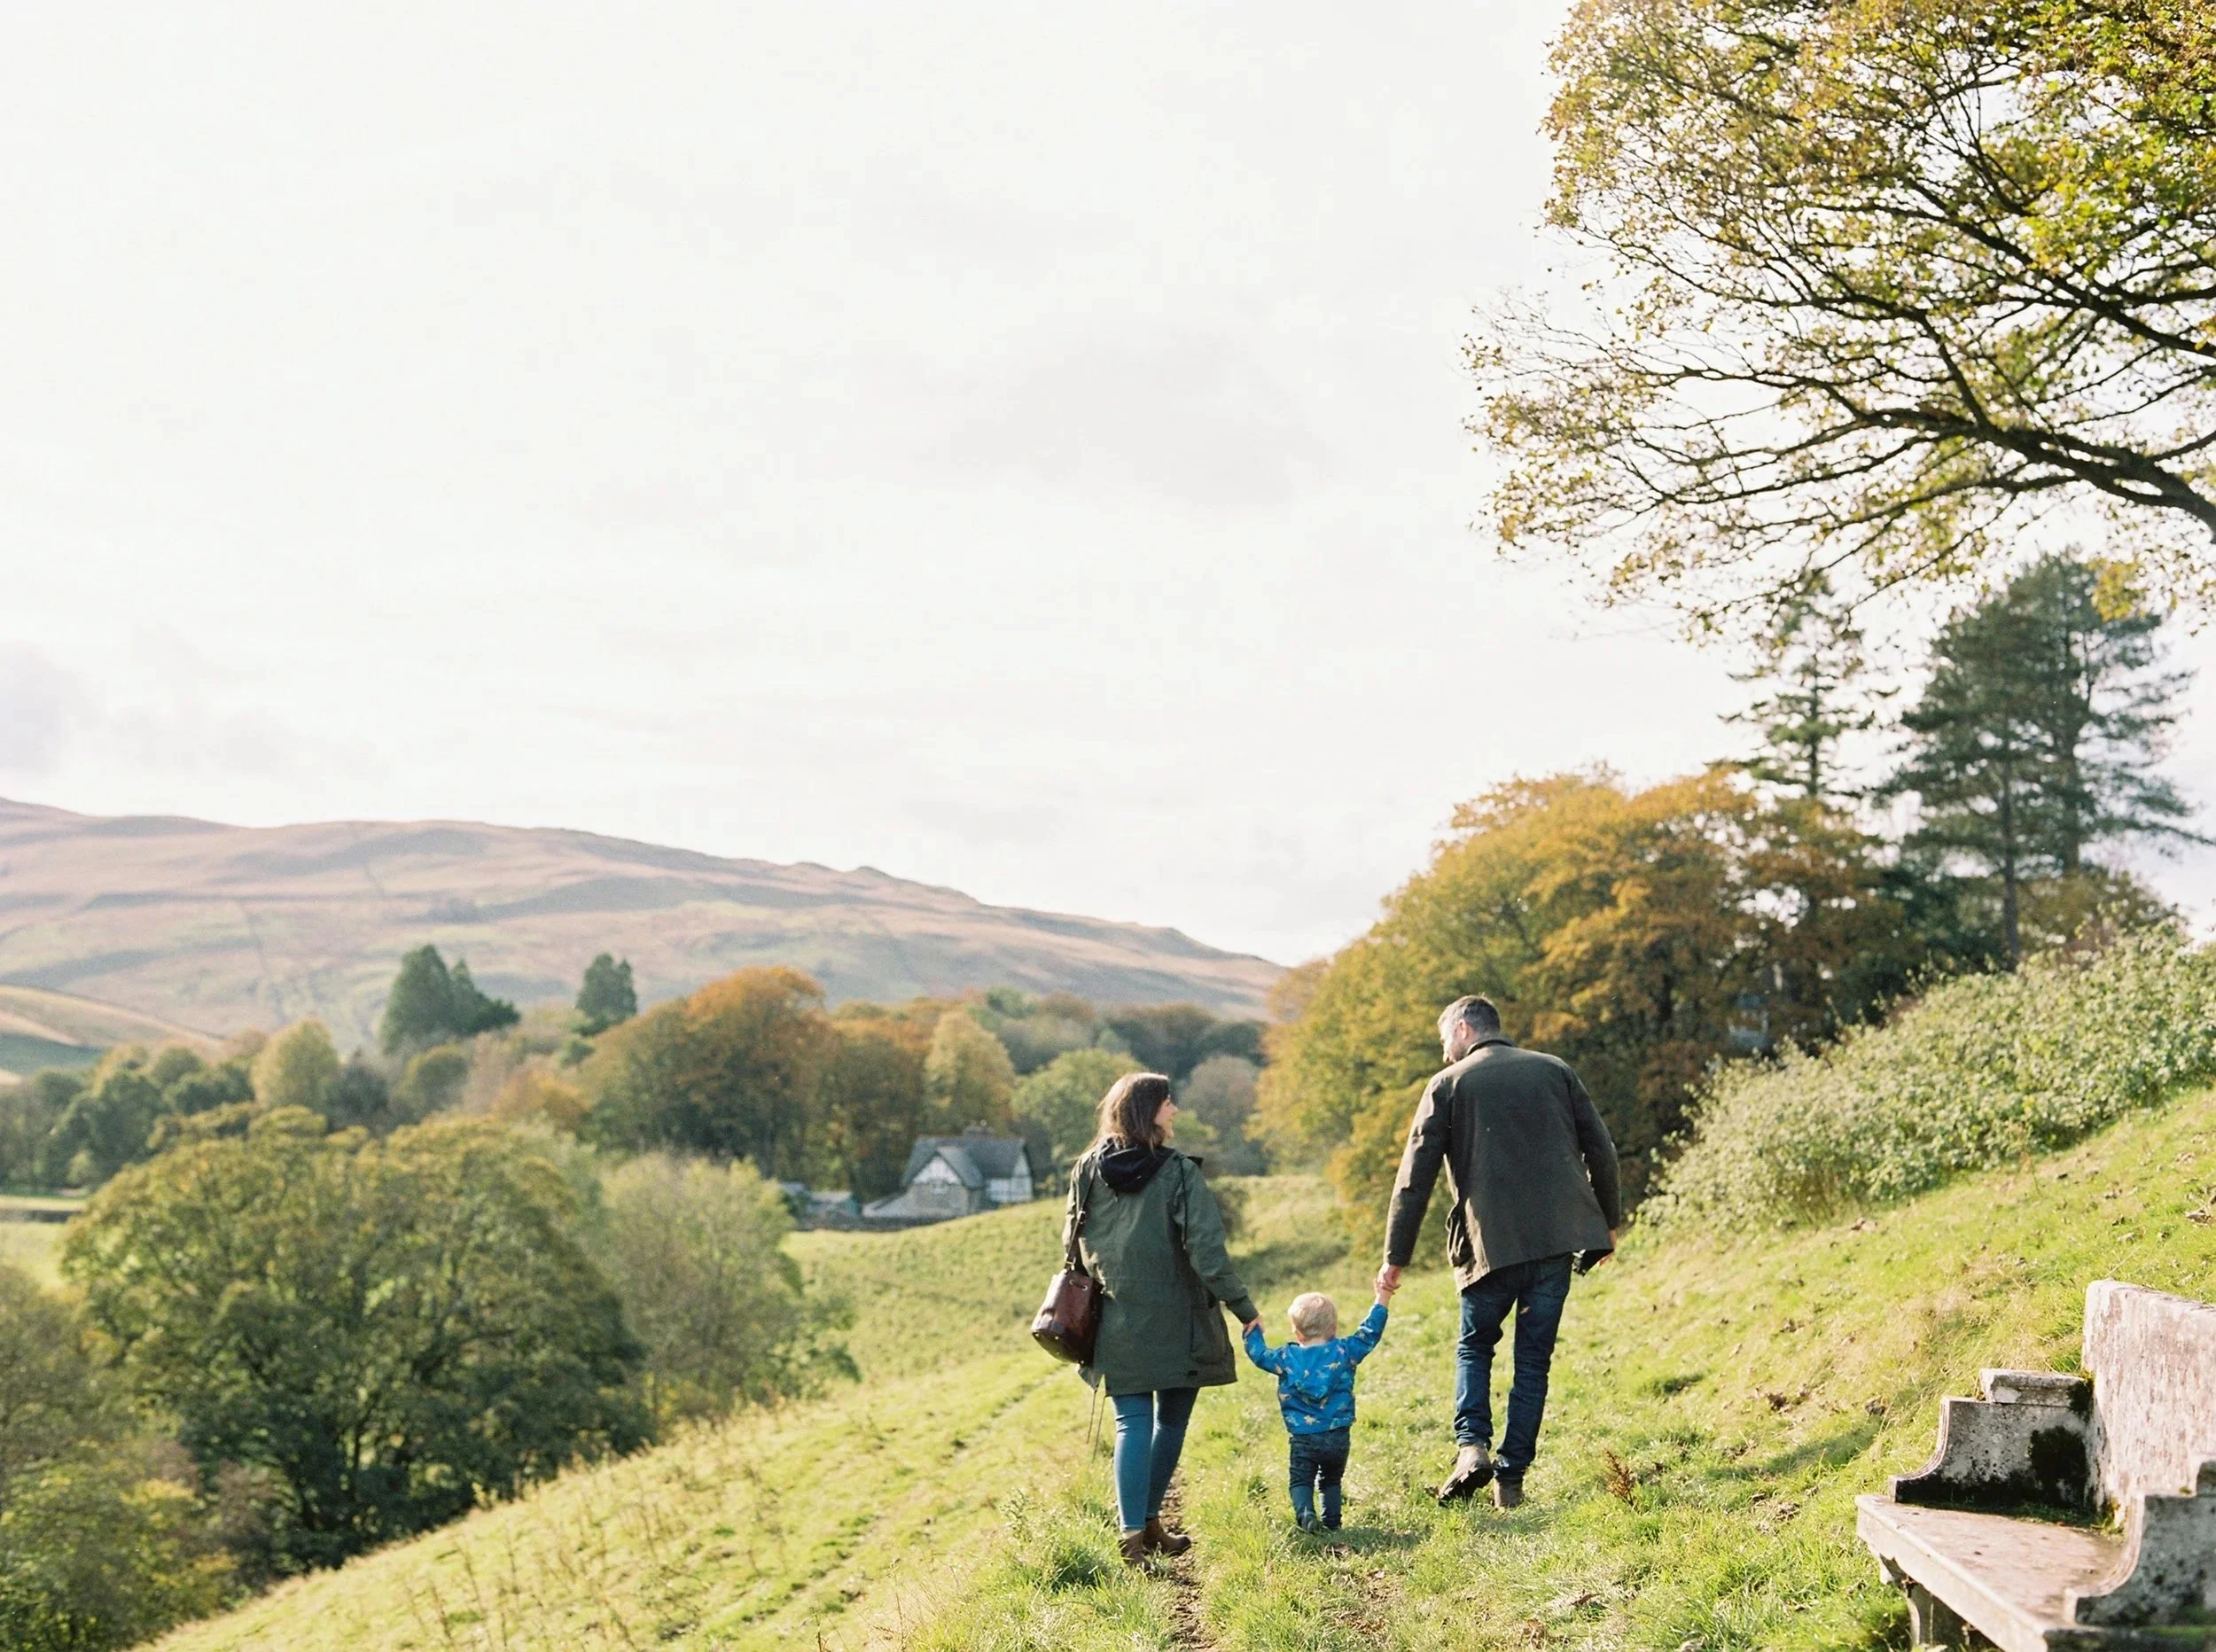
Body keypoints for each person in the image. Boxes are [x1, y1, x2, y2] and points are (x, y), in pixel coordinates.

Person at [1376, 994, 1620, 1509]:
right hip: (1554, 1246)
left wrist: (1395, 1257)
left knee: (1474, 1348)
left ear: (1464, 1028)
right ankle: (1511, 1482)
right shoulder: (1555, 1071)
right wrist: (1606, 1224)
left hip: (1487, 1247)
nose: (1445, 1052)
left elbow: (1412, 1182)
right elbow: (1601, 1148)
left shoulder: (1447, 1085)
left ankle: (1471, 1449)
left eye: (1445, 1039)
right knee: (1534, 1362)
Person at [1064, 1071, 1260, 1566]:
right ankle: (1143, 1525)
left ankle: (1140, 1532)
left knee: (1132, 1421)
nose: (1174, 1111)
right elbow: (1208, 1253)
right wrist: (1244, 1309)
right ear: (1147, 1111)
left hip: (1115, 1315)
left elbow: (1072, 1245)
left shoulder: (1085, 1169)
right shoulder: (1178, 1173)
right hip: (1179, 1319)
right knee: (1169, 1420)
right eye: (1168, 1103)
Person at [1242, 1281, 1393, 1532]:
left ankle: (1306, 1514)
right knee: (1331, 1481)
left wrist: (1251, 1328)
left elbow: (1259, 1354)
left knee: (1301, 1480)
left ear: (1297, 1333)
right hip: (1338, 1435)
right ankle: (1332, 1524)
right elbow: (1370, 1332)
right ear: (1333, 1328)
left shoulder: (1285, 1358)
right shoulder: (1345, 1352)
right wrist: (1382, 1297)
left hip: (1303, 1438)